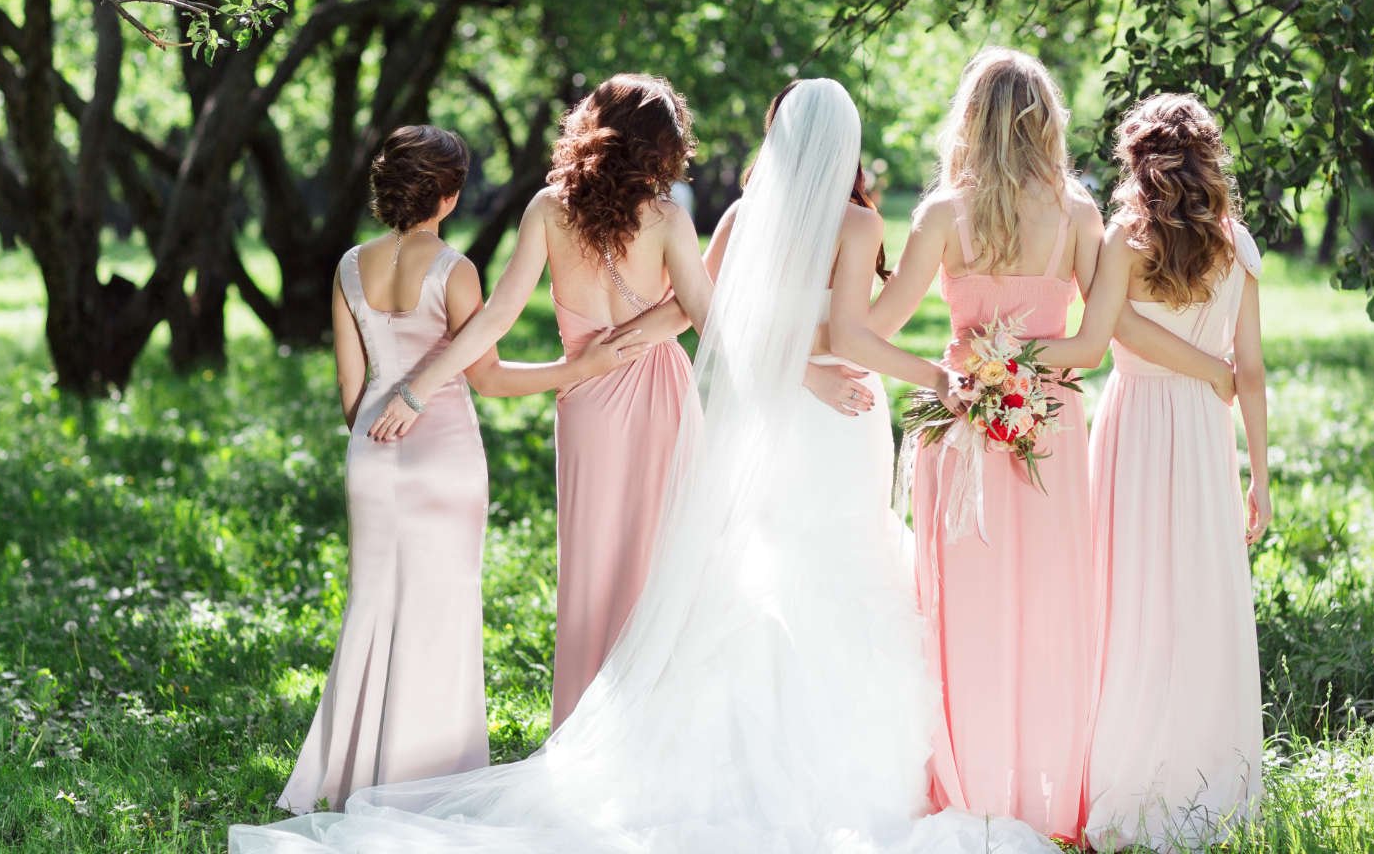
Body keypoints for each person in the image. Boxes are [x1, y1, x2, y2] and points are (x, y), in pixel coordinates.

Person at [231, 80, 1056, 854]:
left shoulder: (562, 208)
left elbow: (501, 322)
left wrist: (416, 383)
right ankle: (621, 724)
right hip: (666, 393)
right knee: (666, 566)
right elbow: (715, 322)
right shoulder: (672, 217)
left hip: (587, 399)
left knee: (611, 565)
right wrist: (803, 370)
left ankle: (589, 726)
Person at [862, 49, 1231, 843]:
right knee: (1054, 610)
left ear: (970, 120)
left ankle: (967, 787)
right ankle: (1049, 797)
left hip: (960, 425)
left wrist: (952, 369)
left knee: (962, 612)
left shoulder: (940, 216)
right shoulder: (1076, 214)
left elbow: (867, 332)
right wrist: (1023, 362)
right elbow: (1093, 344)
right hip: (1051, 431)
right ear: (1046, 123)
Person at [280, 125, 643, 812]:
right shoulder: (455, 270)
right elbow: (491, 379)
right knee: (442, 611)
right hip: (444, 456)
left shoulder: (350, 267)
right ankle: (430, 773)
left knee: (374, 604)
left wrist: (380, 425)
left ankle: (357, 770)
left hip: (371, 456)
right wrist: (580, 368)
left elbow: (352, 399)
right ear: (447, 197)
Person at [1077, 93, 1268, 851]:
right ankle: (1201, 780)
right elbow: (1248, 371)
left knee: (1131, 588)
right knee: (1195, 591)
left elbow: (1113, 328)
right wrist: (1259, 472)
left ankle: (1132, 773)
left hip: (1135, 421)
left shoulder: (1125, 238)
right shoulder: (1236, 245)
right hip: (1198, 428)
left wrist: (1215, 379)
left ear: (1137, 161)